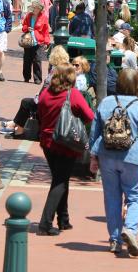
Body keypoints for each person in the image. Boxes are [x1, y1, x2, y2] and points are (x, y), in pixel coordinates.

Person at [89, 69, 138, 256]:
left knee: (112, 198)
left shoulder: (105, 103)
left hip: (107, 156)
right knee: (136, 196)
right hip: (133, 157)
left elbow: (95, 133)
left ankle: (115, 239)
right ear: (137, 85)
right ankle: (130, 230)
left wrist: (93, 157)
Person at [37, 64, 94, 235]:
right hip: (65, 143)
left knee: (60, 179)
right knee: (60, 182)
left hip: (47, 142)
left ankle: (63, 219)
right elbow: (90, 116)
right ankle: (45, 223)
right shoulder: (73, 94)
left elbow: (40, 113)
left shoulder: (45, 93)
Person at [0, 46, 70, 137]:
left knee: (26, 102)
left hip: (50, 102)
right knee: (28, 102)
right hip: (55, 100)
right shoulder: (64, 69)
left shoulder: (55, 71)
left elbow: (48, 88)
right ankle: (14, 125)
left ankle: (18, 130)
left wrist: (39, 96)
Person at [22, 1, 50, 84]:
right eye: (33, 7)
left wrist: (46, 42)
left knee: (37, 60)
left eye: (35, 7)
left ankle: (37, 78)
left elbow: (46, 31)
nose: (34, 9)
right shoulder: (29, 16)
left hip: (38, 41)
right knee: (27, 60)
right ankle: (26, 77)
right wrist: (27, 28)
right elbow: (23, 26)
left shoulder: (43, 17)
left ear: (39, 8)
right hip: (28, 40)